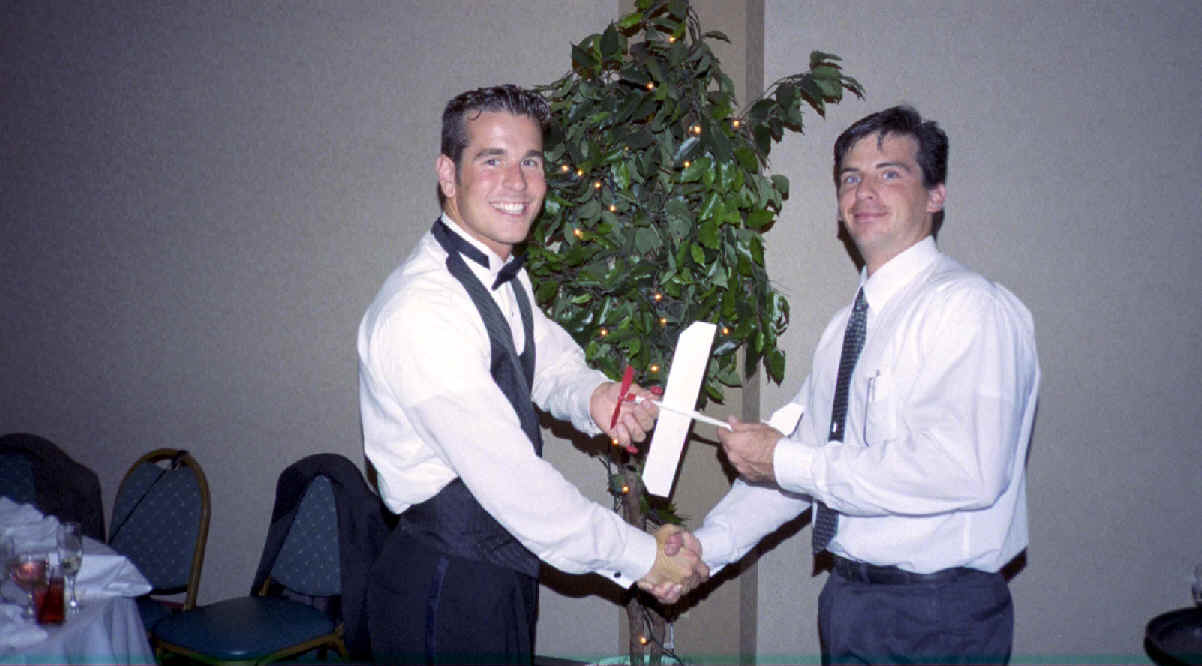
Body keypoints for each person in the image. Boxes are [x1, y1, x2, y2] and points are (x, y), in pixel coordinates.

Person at [648, 106, 1040, 664]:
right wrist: (707, 547)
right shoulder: (845, 329)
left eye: (890, 173)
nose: (865, 192)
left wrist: (786, 460)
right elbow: (800, 459)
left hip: (936, 615)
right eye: (851, 178)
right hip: (850, 602)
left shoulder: (969, 307)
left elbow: (965, 469)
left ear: (936, 195)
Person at [358, 84, 708, 664]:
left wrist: (596, 396)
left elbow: (548, 361)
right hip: (444, 583)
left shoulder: (501, 269)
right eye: (491, 160)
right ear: (447, 174)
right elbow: (517, 485)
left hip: (503, 564)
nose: (517, 183)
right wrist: (643, 557)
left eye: (530, 161)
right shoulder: (422, 312)